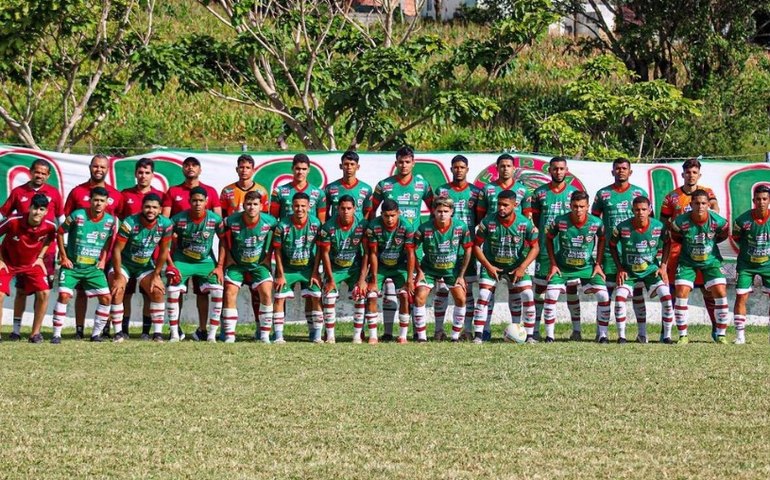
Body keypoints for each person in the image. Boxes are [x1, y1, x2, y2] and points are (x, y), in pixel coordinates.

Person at [370, 146, 432, 339]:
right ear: (395, 163)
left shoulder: (423, 185)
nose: (404, 165)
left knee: (412, 288)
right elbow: (371, 211)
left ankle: (415, 333)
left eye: (407, 162)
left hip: (414, 244)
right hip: (389, 245)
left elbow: (434, 209)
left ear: (413, 163)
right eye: (400, 162)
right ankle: (388, 332)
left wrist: (423, 234)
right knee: (390, 289)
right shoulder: (384, 185)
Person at [0, 159, 64, 341]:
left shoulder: (51, 215)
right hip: (10, 258)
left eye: (44, 173)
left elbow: (56, 229)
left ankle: (35, 333)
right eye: (37, 172)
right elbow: (3, 214)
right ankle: (15, 330)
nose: (40, 175)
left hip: (36, 259)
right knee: (18, 292)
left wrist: (42, 257)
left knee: (43, 292)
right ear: (30, 172)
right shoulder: (18, 196)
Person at [660, 158, 721, 341]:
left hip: (702, 249)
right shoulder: (672, 197)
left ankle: (717, 330)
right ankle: (667, 331)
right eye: (688, 172)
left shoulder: (707, 194)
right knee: (674, 290)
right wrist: (674, 231)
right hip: (678, 250)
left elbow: (716, 210)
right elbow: (664, 222)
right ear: (683, 174)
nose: (691, 175)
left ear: (699, 174)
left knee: (708, 290)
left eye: (694, 172)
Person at [64, 154, 123, 339]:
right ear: (90, 167)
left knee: (108, 291)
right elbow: (65, 222)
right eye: (96, 166)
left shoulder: (116, 195)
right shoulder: (77, 192)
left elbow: (119, 224)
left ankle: (104, 329)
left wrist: (107, 256)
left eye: (103, 167)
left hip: (106, 254)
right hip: (81, 253)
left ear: (107, 170)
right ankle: (79, 329)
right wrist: (65, 253)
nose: (99, 170)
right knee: (81, 292)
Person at [162, 156, 221, 338]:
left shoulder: (210, 191)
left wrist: (220, 264)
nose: (190, 168)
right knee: (175, 291)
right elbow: (165, 223)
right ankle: (175, 330)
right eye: (187, 165)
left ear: (200, 169)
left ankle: (204, 330)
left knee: (204, 292)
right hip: (180, 255)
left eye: (194, 165)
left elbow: (219, 225)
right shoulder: (173, 191)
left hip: (204, 256)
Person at [523, 157, 581, 340]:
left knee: (572, 289)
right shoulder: (540, 193)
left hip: (568, 249)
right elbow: (536, 220)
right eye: (555, 169)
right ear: (549, 170)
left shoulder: (574, 193)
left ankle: (577, 331)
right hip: (545, 249)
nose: (558, 172)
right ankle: (537, 331)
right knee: (540, 289)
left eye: (561, 168)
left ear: (567, 170)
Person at [591, 158, 649, 339]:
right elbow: (594, 222)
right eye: (617, 168)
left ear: (630, 172)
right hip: (610, 250)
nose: (621, 171)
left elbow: (649, 222)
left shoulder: (639, 193)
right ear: (612, 171)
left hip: (633, 253)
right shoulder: (603, 194)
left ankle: (642, 334)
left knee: (637, 292)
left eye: (624, 168)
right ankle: (602, 335)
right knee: (606, 293)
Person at [472, 190, 540, 342]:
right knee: (484, 295)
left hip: (516, 266)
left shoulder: (524, 223)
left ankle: (528, 336)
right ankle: (479, 335)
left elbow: (535, 247)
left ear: (515, 205)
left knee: (528, 295)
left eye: (505, 205)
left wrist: (522, 267)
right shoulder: (488, 222)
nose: (501, 208)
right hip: (492, 264)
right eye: (499, 204)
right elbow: (476, 246)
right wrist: (488, 266)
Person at [664, 189, 730, 344]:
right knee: (681, 292)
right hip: (687, 261)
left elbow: (724, 234)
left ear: (708, 204)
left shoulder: (718, 221)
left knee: (720, 291)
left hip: (711, 261)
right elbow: (676, 236)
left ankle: (721, 334)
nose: (700, 206)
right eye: (696, 203)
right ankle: (683, 336)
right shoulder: (680, 222)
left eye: (703, 203)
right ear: (691, 204)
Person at [544, 191, 611, 343]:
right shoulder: (560, 221)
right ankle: (549, 336)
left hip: (587, 267)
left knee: (604, 296)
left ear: (588, 206)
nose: (578, 210)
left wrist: (598, 264)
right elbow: (548, 239)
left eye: (582, 206)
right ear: (570, 206)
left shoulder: (596, 223)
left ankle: (602, 335)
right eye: (575, 206)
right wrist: (553, 264)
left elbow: (602, 239)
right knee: (551, 294)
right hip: (562, 266)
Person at [54, 188, 116, 343]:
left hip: (93, 269)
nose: (98, 203)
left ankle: (95, 334)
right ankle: (56, 335)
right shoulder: (77, 215)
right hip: (72, 267)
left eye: (102, 201)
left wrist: (103, 259)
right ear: (90, 200)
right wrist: (63, 256)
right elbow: (60, 232)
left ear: (107, 202)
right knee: (64, 296)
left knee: (107, 298)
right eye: (95, 200)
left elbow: (109, 239)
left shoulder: (110, 221)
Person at [609, 196, 674, 343]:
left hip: (651, 271)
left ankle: (667, 337)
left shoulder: (659, 227)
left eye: (644, 209)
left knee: (666, 296)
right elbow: (612, 245)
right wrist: (620, 268)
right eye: (637, 210)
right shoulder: (622, 227)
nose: (640, 212)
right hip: (629, 272)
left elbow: (668, 243)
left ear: (650, 210)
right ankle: (622, 337)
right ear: (632, 210)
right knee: (619, 299)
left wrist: (663, 266)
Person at [109, 193, 173, 342]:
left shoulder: (166, 224)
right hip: (124, 263)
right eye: (147, 207)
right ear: (142, 208)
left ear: (160, 209)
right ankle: (118, 333)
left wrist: (157, 275)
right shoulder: (130, 222)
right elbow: (117, 250)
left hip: (144, 264)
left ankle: (157, 334)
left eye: (154, 207)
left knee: (157, 291)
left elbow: (164, 251)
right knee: (118, 289)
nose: (151, 210)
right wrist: (118, 276)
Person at [433, 154, 481, 341]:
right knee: (442, 289)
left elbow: (479, 218)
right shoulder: (442, 190)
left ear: (467, 170)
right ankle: (438, 330)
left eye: (462, 167)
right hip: (445, 248)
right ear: (451, 169)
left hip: (466, 248)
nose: (459, 170)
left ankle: (466, 330)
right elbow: (435, 218)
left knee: (466, 290)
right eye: (456, 167)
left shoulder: (476, 192)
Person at [412, 198, 473, 343]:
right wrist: (419, 270)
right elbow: (411, 249)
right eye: (439, 211)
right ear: (434, 211)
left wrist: (461, 275)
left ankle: (454, 337)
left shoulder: (461, 227)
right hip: (429, 269)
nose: (442, 214)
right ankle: (422, 338)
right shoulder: (424, 228)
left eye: (446, 211)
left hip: (452, 270)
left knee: (461, 298)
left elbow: (468, 249)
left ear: (451, 212)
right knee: (419, 296)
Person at [220, 191, 277, 343]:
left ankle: (264, 335)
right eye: (249, 204)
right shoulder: (231, 221)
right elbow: (223, 238)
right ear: (243, 205)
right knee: (229, 292)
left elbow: (277, 237)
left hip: (258, 265)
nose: (252, 207)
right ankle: (230, 336)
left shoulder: (270, 222)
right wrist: (228, 258)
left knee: (266, 291)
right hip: (237, 265)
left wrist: (267, 255)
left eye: (255, 204)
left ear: (261, 206)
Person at [119, 158, 165, 340]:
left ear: (153, 175)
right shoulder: (125, 194)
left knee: (150, 293)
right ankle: (123, 329)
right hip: (128, 256)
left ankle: (147, 331)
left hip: (150, 257)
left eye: (147, 173)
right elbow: (122, 220)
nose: (143, 176)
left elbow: (163, 225)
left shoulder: (160, 195)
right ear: (135, 174)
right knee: (125, 293)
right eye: (140, 172)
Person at [316, 195, 368, 344]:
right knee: (329, 296)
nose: (346, 211)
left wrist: (362, 279)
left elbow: (367, 254)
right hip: (335, 269)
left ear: (355, 209)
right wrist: (331, 279)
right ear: (337, 209)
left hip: (355, 269)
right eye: (343, 208)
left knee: (359, 296)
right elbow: (324, 254)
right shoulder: (328, 227)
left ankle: (357, 335)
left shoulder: (362, 225)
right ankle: (330, 335)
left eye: (349, 208)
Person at [272, 193, 323, 343]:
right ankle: (279, 336)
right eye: (296, 206)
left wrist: (315, 272)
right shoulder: (282, 226)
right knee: (280, 297)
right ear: (291, 207)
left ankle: (316, 335)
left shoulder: (316, 224)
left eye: (302, 206)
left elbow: (320, 250)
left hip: (308, 269)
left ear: (309, 207)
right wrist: (280, 274)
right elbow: (277, 251)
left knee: (315, 295)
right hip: (288, 269)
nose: (299, 209)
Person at [364, 199, 416, 343]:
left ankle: (403, 336)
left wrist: (410, 279)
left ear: (398, 213)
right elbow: (373, 253)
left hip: (400, 266)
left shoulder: (406, 226)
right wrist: (373, 280)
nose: (390, 219)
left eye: (393, 215)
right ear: (381, 214)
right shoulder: (373, 226)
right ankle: (373, 336)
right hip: (380, 266)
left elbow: (411, 254)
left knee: (405, 295)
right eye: (386, 216)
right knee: (372, 295)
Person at [732, 185, 770, 344]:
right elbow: (736, 237)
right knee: (741, 296)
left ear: (769, 201)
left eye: (765, 199)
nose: (761, 202)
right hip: (746, 265)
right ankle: (740, 336)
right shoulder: (742, 220)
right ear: (753, 200)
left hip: (768, 265)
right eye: (758, 199)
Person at [270, 153, 327, 222]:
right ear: (292, 169)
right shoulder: (279, 191)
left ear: (308, 170)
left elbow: (321, 222)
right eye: (297, 168)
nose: (300, 172)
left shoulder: (319, 193)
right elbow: (272, 220)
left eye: (304, 169)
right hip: (287, 232)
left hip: (310, 232)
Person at [475, 153, 529, 219]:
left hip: (515, 229)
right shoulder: (487, 189)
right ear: (497, 168)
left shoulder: (523, 190)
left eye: (508, 166)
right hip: (493, 228)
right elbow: (480, 214)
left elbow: (527, 214)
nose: (506, 169)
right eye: (502, 166)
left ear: (514, 169)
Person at [325, 150, 373, 219]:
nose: (349, 167)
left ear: (358, 167)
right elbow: (324, 212)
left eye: (352, 164)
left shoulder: (367, 189)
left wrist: (362, 226)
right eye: (346, 164)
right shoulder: (330, 188)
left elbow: (368, 212)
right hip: (336, 229)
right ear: (341, 166)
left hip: (358, 228)